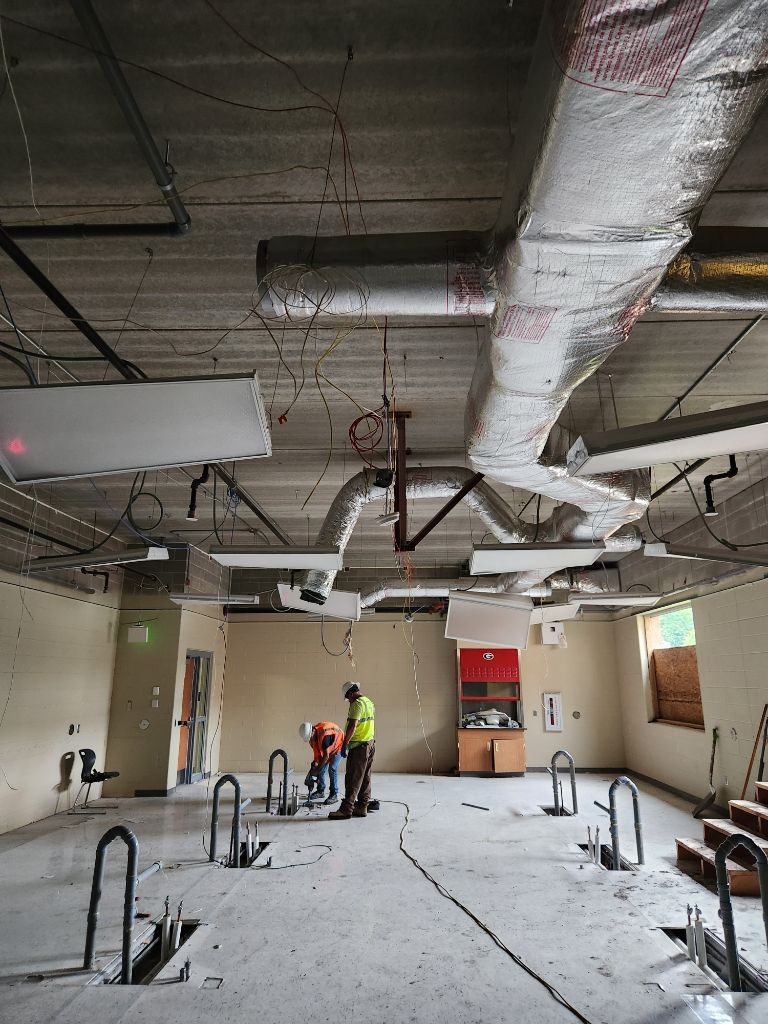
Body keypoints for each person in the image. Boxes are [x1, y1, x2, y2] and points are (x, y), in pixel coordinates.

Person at [329, 681, 375, 820]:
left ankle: (346, 809)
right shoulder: (369, 702)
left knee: (353, 778)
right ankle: (362, 806)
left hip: (358, 746)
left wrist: (345, 743)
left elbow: (353, 726)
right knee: (365, 777)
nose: (348, 700)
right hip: (370, 743)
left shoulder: (357, 704)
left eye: (348, 697)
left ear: (350, 693)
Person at [299, 721, 344, 805]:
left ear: (312, 731)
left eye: (310, 738)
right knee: (321, 768)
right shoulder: (312, 737)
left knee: (332, 768)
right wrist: (313, 769)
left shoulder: (324, 735)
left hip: (339, 746)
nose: (310, 740)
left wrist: (316, 771)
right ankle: (320, 791)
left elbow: (326, 756)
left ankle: (334, 795)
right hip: (329, 747)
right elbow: (318, 757)